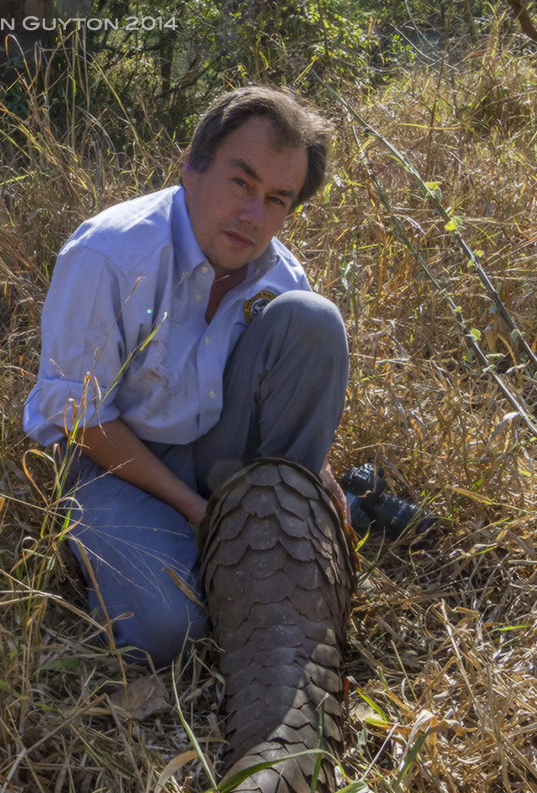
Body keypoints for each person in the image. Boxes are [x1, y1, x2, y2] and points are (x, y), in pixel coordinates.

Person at [23, 85, 350, 668]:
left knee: (314, 321)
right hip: (105, 456)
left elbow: (279, 395)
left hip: (208, 445)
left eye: (277, 200)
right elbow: (81, 419)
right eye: (240, 183)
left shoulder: (280, 276)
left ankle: (278, 532)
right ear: (192, 170)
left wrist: (314, 474)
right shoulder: (109, 253)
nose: (254, 216)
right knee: (169, 630)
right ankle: (115, 544)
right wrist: (197, 512)